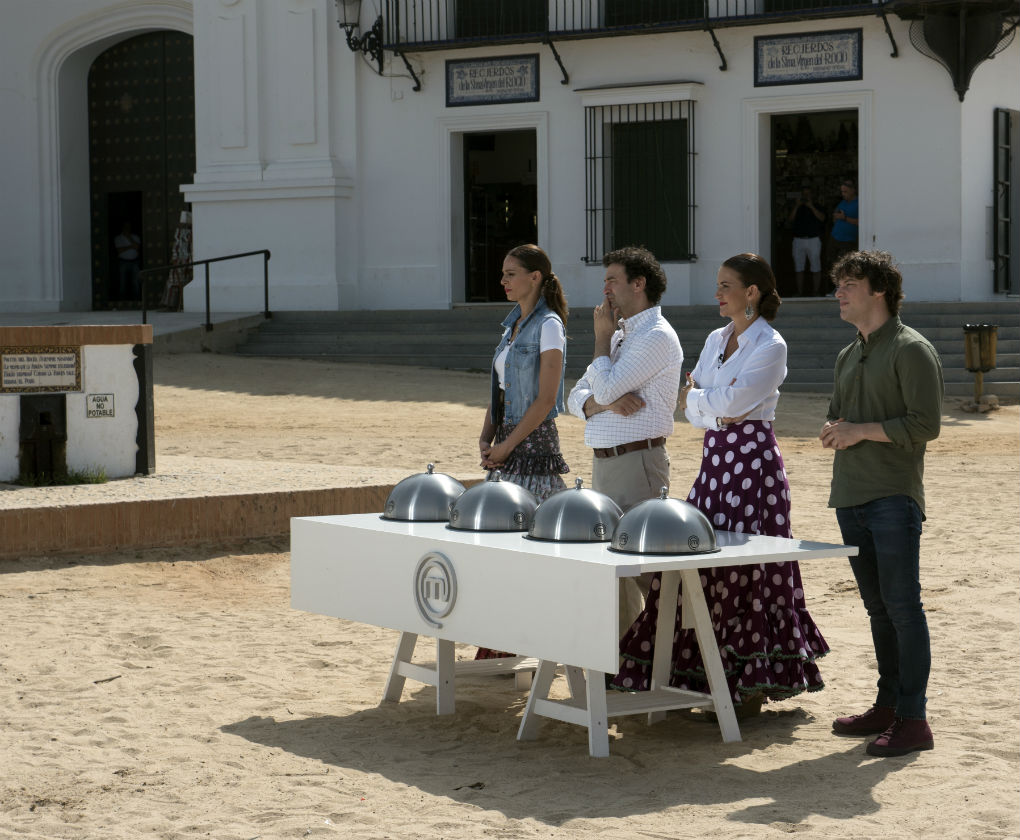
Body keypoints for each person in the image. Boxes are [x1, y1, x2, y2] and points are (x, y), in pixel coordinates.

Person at [611, 253, 829, 712]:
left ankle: (746, 693)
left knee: (749, 571)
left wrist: (707, 400)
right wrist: (711, 402)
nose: (718, 293)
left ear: (752, 292)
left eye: (726, 285)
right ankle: (701, 681)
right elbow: (693, 406)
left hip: (754, 466)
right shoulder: (716, 337)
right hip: (715, 463)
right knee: (704, 564)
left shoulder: (771, 344)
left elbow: (734, 401)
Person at [820, 250, 943, 757]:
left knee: (903, 608)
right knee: (878, 610)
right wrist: (835, 431)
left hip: (893, 497)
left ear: (879, 290)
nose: (839, 292)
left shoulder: (911, 350)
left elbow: (925, 425)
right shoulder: (848, 354)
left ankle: (914, 719)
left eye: (849, 283)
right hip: (850, 496)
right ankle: (888, 705)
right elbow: (837, 416)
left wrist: (859, 432)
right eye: (838, 284)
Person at [567, 246, 683, 638]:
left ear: (639, 283)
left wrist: (600, 342)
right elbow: (573, 397)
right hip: (607, 463)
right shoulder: (623, 335)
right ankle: (624, 662)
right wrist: (606, 401)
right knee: (613, 567)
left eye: (613, 280)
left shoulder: (654, 336)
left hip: (638, 462)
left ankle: (671, 658)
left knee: (648, 569)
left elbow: (604, 384)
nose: (606, 289)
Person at [476, 243, 570, 659]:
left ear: (535, 277)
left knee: (530, 541)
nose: (503, 281)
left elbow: (547, 400)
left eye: (511, 273)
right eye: (503, 273)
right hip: (506, 444)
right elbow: (499, 391)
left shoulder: (549, 326)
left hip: (533, 444)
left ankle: (534, 640)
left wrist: (506, 446)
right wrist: (486, 436)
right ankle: (502, 642)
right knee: (499, 542)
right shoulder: (509, 328)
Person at [788, 186, 825, 296]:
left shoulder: (817, 206)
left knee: (816, 266)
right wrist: (797, 205)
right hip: (798, 240)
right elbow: (790, 219)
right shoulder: (797, 207)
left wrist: (811, 206)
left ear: (812, 196)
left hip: (813, 239)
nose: (806, 197)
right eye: (804, 195)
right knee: (798, 267)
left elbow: (822, 218)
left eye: (808, 194)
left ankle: (816, 292)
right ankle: (799, 292)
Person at [829, 179, 859, 264]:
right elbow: (836, 214)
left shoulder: (860, 203)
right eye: (842, 192)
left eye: (845, 192)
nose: (843, 194)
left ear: (853, 190)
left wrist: (844, 218)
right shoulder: (843, 202)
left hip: (847, 242)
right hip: (834, 239)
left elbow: (861, 222)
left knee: (843, 267)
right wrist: (835, 216)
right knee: (832, 265)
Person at [114, 221, 142, 300]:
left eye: (128, 227)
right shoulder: (118, 238)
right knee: (122, 282)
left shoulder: (135, 237)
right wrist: (131, 246)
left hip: (135, 262)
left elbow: (137, 247)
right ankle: (122, 299)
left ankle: (137, 298)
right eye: (126, 227)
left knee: (136, 281)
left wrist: (129, 238)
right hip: (123, 262)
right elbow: (119, 250)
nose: (127, 228)